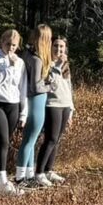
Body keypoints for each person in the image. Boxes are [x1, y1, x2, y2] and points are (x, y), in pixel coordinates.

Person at [0, 29, 28, 196]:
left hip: (13, 104)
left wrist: (24, 112)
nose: (10, 48)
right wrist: (8, 68)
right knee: (2, 140)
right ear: (1, 42)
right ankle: (3, 179)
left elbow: (22, 88)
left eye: (14, 45)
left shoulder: (20, 62)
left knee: (3, 142)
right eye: (7, 44)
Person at [15, 25, 53, 188]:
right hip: (36, 101)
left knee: (31, 139)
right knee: (29, 140)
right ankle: (20, 177)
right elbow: (35, 87)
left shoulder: (27, 55)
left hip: (31, 101)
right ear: (45, 40)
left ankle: (29, 174)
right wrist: (49, 87)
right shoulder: (37, 60)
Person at [37, 36, 75, 184]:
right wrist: (58, 65)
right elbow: (52, 83)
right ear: (50, 47)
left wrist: (71, 108)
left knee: (57, 140)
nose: (59, 49)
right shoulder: (47, 64)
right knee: (50, 139)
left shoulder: (66, 65)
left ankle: (49, 170)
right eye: (56, 46)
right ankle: (39, 172)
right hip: (52, 104)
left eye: (61, 47)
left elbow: (68, 86)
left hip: (65, 104)